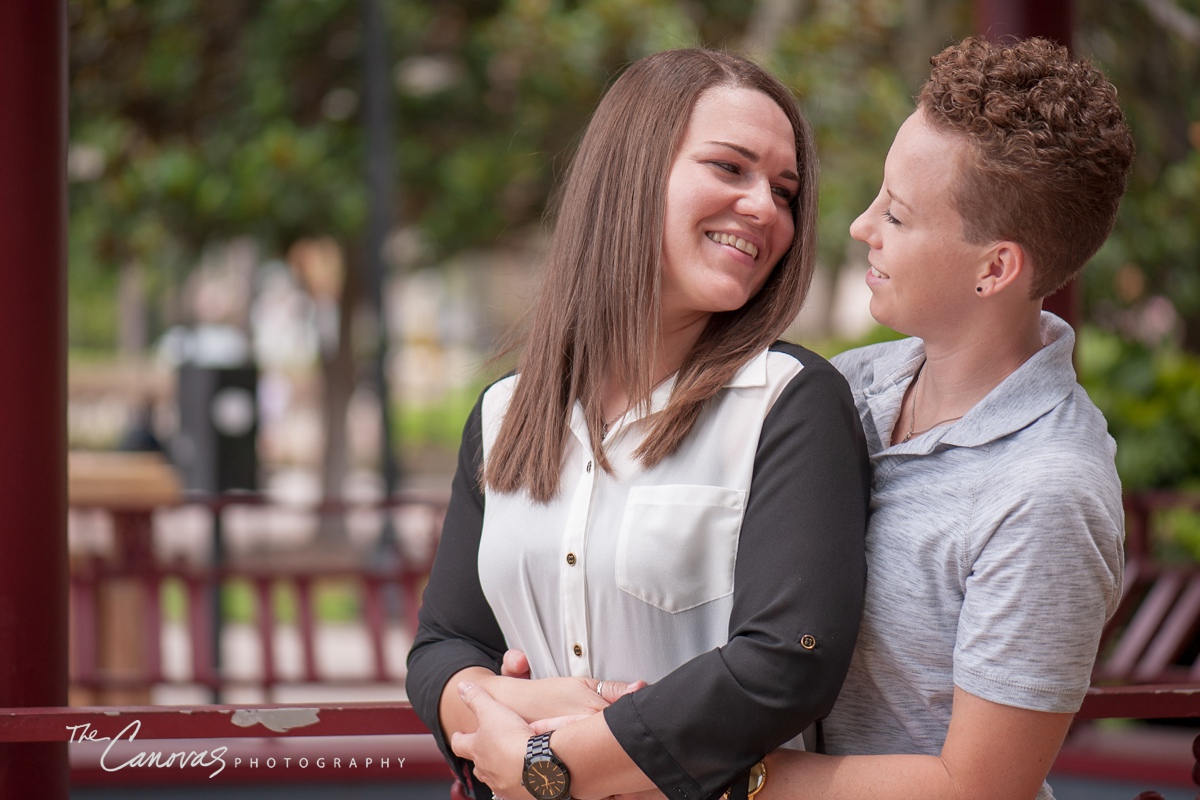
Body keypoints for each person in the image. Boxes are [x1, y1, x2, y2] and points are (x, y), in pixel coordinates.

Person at [453, 36, 1133, 800]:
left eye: (899, 217)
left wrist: (657, 763)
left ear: (994, 268)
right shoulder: (856, 388)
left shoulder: (1048, 491)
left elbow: (977, 786)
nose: (860, 226)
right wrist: (539, 703)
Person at [405, 47, 871, 800]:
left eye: (784, 192)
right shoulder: (503, 415)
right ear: (631, 173)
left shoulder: (789, 400)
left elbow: (786, 663)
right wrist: (530, 706)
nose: (765, 209)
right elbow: (444, 646)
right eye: (730, 168)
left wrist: (552, 763)